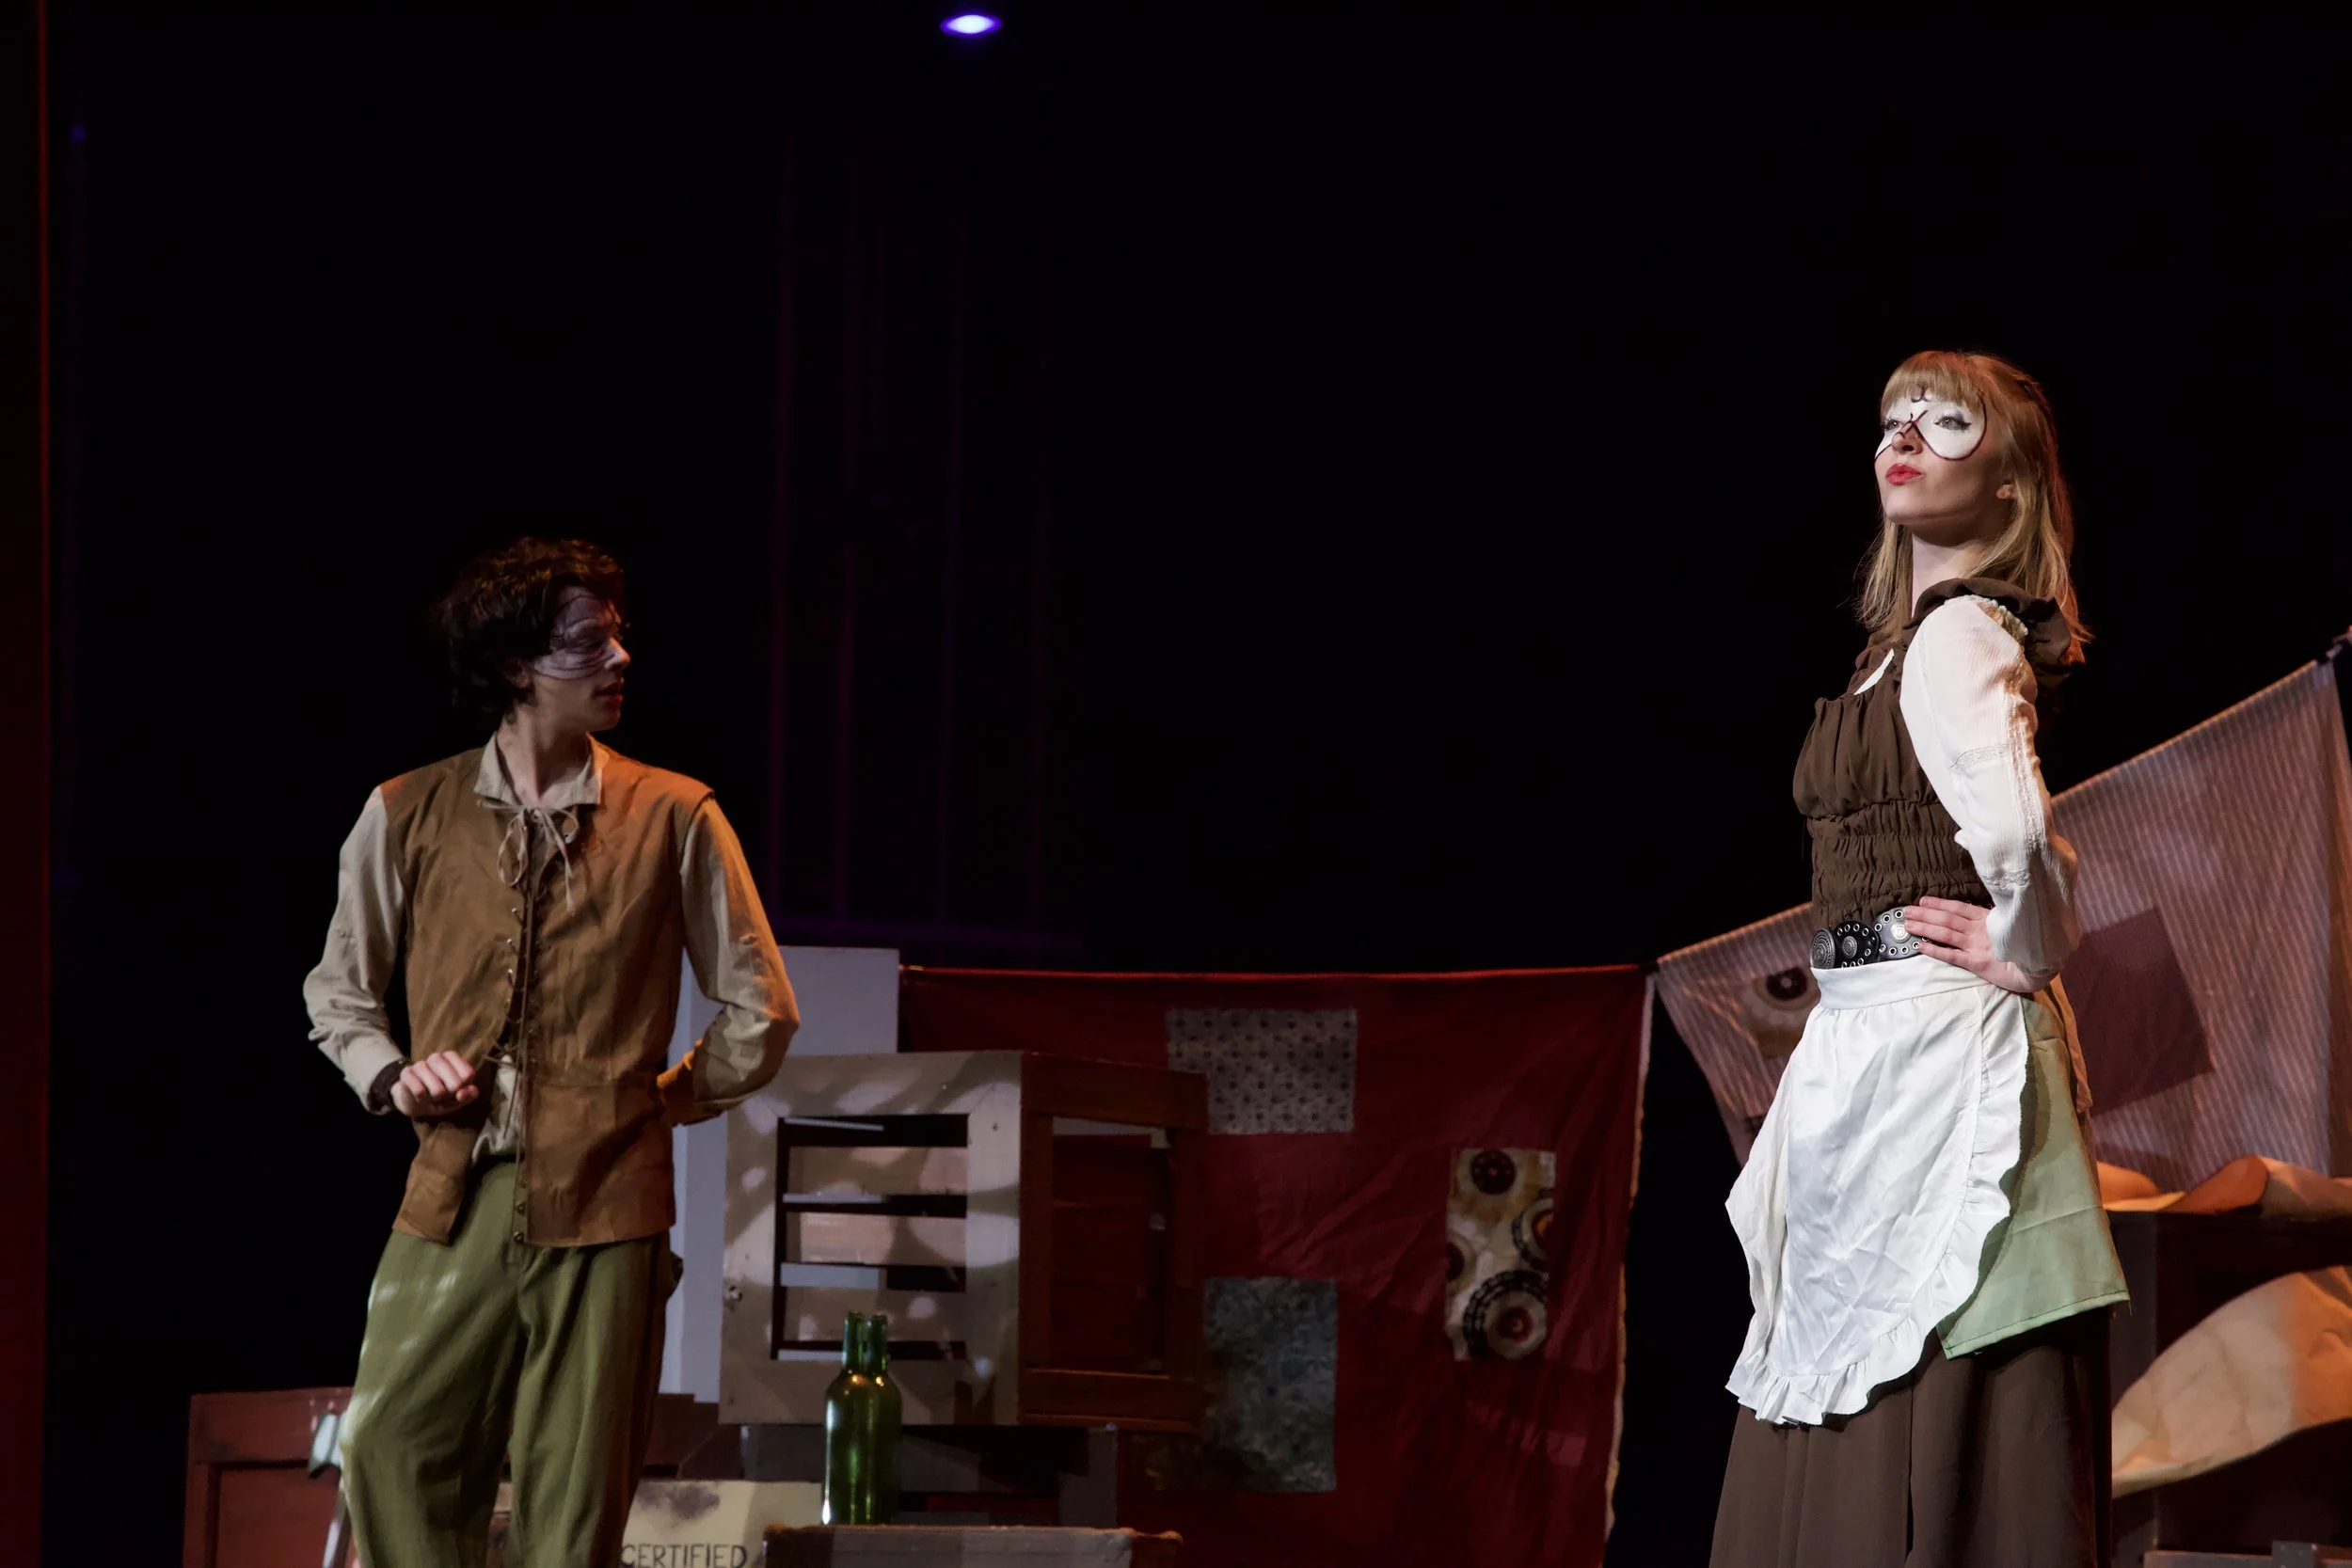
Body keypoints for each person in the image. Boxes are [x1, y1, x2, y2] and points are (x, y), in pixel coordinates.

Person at [303, 537, 798, 1568]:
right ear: (516, 666)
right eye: (587, 641)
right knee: (391, 1446)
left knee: (572, 1502)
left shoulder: (675, 813)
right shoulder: (407, 809)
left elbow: (761, 1010)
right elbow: (338, 990)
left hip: (609, 1198)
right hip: (455, 1185)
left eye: (619, 634)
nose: (619, 658)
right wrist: (393, 1073)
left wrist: (655, 1101)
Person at [1709, 353, 2128, 1567]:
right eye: (1894, 418)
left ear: (2010, 483)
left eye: (1947, 422)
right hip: (1872, 1032)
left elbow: (2016, 833)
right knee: (1853, 1334)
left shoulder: (1958, 634)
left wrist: (2023, 948)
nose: (1905, 437)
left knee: (1938, 1341)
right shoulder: (1891, 653)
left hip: (1937, 1042)